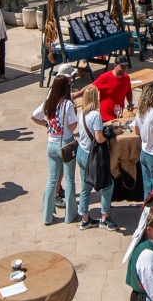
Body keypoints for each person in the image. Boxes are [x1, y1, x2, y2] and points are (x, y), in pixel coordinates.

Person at [31, 74, 78, 225]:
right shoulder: (67, 105)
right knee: (69, 179)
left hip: (51, 143)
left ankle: (47, 215)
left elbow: (34, 116)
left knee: (52, 179)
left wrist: (47, 124)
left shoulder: (48, 103)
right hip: (65, 143)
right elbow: (72, 126)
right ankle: (70, 215)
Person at [75, 85, 116, 231]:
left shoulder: (82, 114)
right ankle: (105, 217)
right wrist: (109, 135)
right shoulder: (95, 115)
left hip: (81, 152)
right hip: (92, 156)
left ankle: (84, 219)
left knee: (85, 187)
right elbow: (99, 138)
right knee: (107, 185)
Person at [75, 58, 134, 122]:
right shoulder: (105, 77)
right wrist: (75, 95)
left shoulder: (126, 78)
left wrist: (130, 102)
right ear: (115, 65)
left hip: (118, 117)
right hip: (106, 118)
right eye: (122, 67)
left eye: (126, 66)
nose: (124, 69)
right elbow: (90, 88)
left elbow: (129, 91)